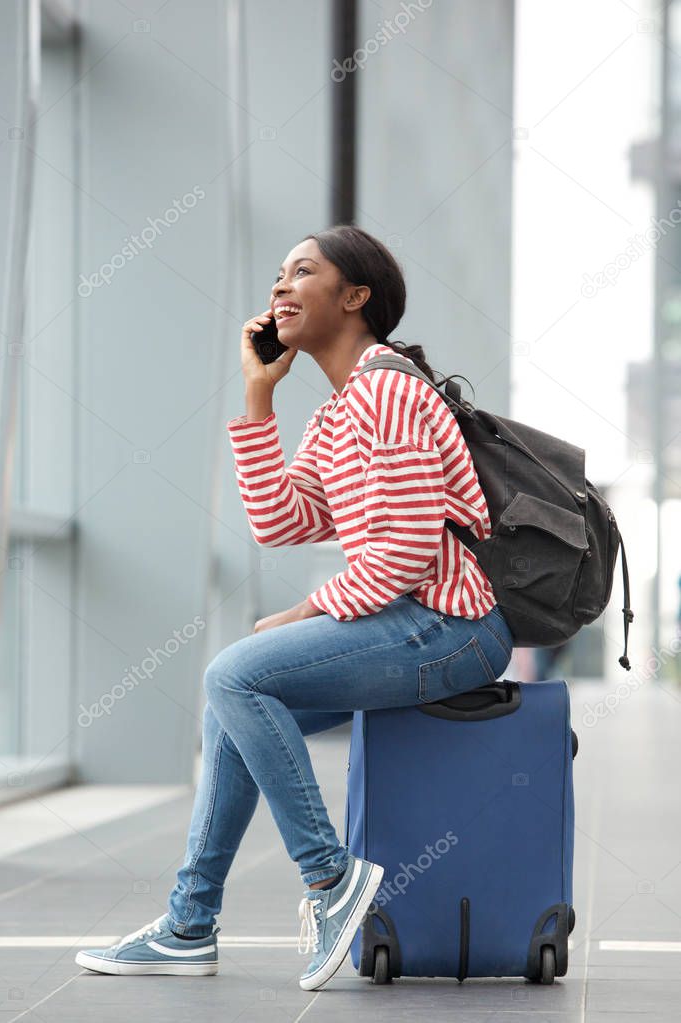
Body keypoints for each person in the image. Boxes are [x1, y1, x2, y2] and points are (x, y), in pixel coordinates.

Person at [75, 224, 514, 991]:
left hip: (455, 627)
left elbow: (408, 550)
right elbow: (282, 522)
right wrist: (257, 395)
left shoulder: (389, 390)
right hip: (409, 622)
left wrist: (303, 613)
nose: (279, 287)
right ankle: (189, 923)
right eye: (277, 274)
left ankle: (331, 879)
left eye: (301, 272)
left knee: (236, 675)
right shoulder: (340, 411)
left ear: (354, 297)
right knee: (228, 704)